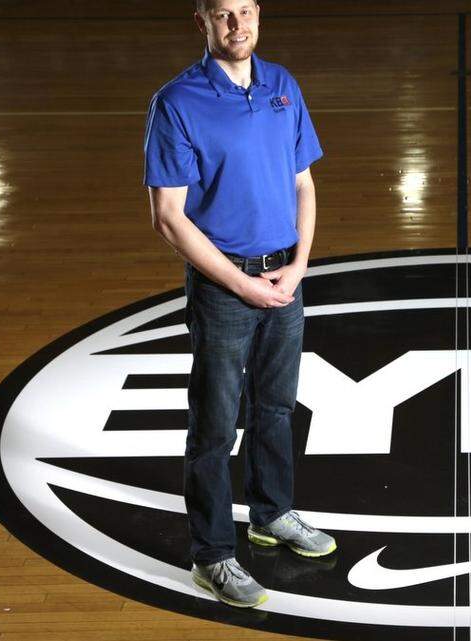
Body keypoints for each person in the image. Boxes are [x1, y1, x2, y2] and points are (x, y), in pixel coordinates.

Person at [142, 0, 335, 609]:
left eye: (247, 10)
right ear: (200, 20)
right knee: (215, 423)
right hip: (226, 288)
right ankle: (212, 554)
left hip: (285, 277)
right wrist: (243, 284)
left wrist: (298, 266)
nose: (237, 25)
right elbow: (168, 218)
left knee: (275, 407)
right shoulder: (176, 102)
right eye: (223, 14)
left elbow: (303, 181)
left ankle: (271, 514)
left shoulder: (282, 85)